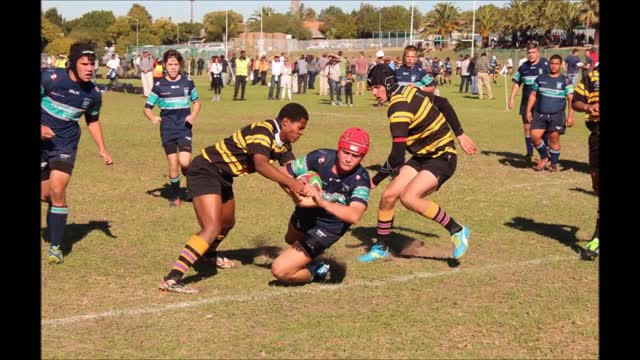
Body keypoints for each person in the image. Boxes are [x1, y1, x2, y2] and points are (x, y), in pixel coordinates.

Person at [158, 103, 310, 293]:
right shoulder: (263, 131)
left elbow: (291, 171)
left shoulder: (284, 144)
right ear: (286, 122)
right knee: (212, 227)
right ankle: (173, 277)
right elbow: (262, 165)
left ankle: (208, 255)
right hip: (206, 169)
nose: (302, 132)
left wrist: (306, 191)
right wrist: (293, 185)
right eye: (300, 127)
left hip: (223, 176)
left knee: (227, 223)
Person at [358, 64, 477, 262]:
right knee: (388, 196)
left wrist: (374, 181)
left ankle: (457, 230)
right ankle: (381, 246)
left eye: (377, 87)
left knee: (409, 197)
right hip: (422, 156)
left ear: (388, 84)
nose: (374, 92)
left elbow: (397, 157)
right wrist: (460, 134)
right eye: (372, 88)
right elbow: (443, 102)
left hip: (442, 156)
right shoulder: (408, 90)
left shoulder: (398, 109)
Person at [41, 41, 113, 264]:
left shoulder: (94, 94)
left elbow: (92, 121)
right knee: (47, 195)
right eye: (85, 64)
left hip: (65, 145)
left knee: (58, 188)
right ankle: (56, 217)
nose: (90, 68)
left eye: (92, 64)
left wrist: (102, 148)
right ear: (72, 64)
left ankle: (56, 246)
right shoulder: (49, 78)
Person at [272, 128, 371, 284]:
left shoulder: (361, 179)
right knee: (290, 239)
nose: (349, 159)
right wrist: (297, 193)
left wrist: (321, 201)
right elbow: (283, 172)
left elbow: (355, 215)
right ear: (339, 149)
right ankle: (310, 257)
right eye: (346, 152)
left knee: (280, 269)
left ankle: (315, 272)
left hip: (329, 225)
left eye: (356, 156)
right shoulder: (320, 157)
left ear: (362, 156)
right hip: (305, 213)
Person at [144, 49, 201, 207]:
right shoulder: (159, 85)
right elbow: (147, 108)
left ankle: (191, 186)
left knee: (185, 162)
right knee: (173, 162)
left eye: (176, 64)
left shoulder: (188, 82)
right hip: (167, 129)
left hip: (184, 127)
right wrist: (153, 117)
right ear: (164, 65)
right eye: (170, 64)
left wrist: (193, 115)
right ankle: (176, 195)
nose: (173, 67)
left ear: (180, 65)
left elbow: (197, 102)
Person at [525, 54, 574, 172]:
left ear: (561, 65)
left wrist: (570, 116)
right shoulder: (541, 78)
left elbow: (571, 99)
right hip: (540, 113)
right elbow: (533, 95)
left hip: (557, 115)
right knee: (534, 136)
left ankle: (554, 164)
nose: (554, 66)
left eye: (557, 64)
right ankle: (544, 156)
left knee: (554, 139)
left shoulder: (565, 80)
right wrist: (528, 110)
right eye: (552, 63)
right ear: (549, 64)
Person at [571, 62, 599, 260]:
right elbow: (575, 102)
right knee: (596, 181)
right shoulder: (592, 77)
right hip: (597, 134)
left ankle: (597, 238)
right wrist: (589, 106)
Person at [509, 43, 550, 165]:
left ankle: (545, 152)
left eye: (533, 52)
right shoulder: (523, 67)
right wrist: (512, 98)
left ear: (538, 52)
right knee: (527, 127)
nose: (531, 55)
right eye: (529, 53)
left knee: (543, 129)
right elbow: (517, 82)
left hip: (542, 102)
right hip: (526, 103)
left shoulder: (545, 65)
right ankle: (529, 154)